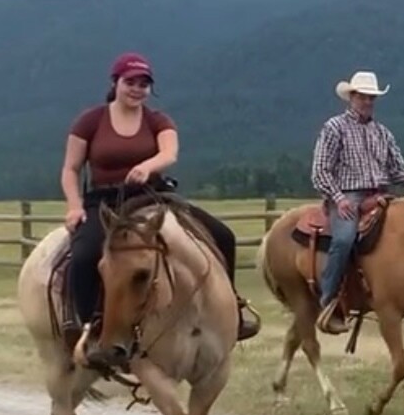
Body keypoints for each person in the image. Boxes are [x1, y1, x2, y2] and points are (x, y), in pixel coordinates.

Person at [60, 52, 260, 353]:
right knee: (86, 253)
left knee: (222, 235)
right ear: (115, 83)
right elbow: (71, 168)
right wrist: (75, 206)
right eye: (130, 82)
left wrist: (148, 166)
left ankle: (231, 308)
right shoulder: (90, 121)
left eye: (143, 84)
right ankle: (88, 325)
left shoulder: (157, 120)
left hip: (150, 195)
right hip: (105, 200)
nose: (137, 89)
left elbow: (169, 153)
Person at [310, 69, 404, 332]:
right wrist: (339, 199)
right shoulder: (334, 128)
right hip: (348, 196)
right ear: (351, 97)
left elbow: (396, 171)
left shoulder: (382, 133)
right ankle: (328, 301)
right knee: (343, 240)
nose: (367, 102)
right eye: (363, 96)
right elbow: (320, 171)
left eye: (371, 97)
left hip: (381, 194)